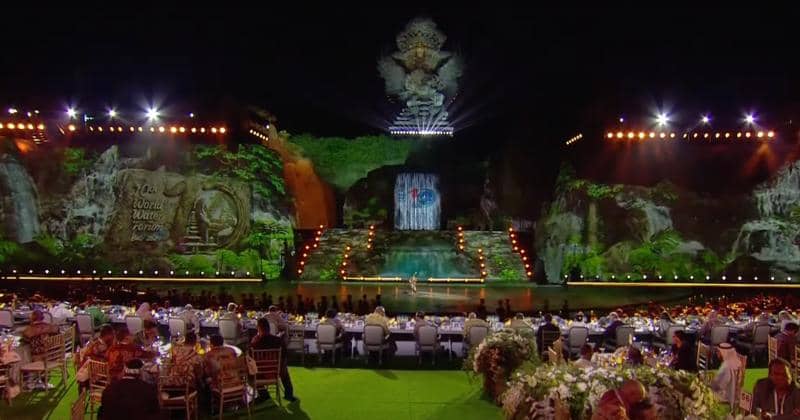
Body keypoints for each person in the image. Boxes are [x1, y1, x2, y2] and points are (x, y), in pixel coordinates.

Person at [251, 318, 297, 402]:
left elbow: (251, 359)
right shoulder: (278, 341)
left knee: (249, 373)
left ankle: (263, 394)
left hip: (261, 374)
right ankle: (289, 394)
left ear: (258, 328)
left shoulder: (255, 343)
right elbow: (284, 356)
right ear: (269, 328)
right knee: (283, 367)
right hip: (276, 372)